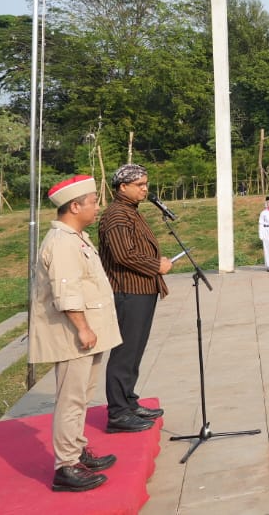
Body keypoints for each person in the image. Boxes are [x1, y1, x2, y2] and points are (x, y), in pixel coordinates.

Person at [31, 175, 123, 492]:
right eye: (94, 201)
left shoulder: (76, 237)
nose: (97, 207)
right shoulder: (62, 243)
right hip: (73, 334)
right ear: (75, 205)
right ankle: (66, 466)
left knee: (82, 396)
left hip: (86, 332)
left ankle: (76, 449)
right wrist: (82, 328)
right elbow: (66, 291)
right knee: (71, 400)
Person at [98, 163, 169, 434]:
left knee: (135, 350)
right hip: (128, 292)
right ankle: (117, 412)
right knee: (125, 352)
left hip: (142, 289)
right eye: (139, 185)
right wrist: (156, 266)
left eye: (145, 184)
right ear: (122, 187)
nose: (145, 189)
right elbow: (123, 255)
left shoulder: (130, 212)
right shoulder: (116, 216)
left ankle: (128, 402)